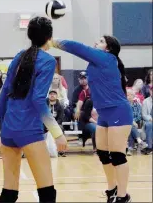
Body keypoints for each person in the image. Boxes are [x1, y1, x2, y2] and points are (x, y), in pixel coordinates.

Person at [50, 36, 133, 203]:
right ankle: (112, 190)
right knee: (103, 154)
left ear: (108, 48)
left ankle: (124, 197)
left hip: (118, 112)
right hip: (104, 114)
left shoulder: (107, 58)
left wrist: (52, 41)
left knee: (117, 155)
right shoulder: (97, 61)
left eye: (101, 41)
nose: (97, 42)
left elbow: (78, 47)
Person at [0, 17, 67, 203]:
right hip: (29, 129)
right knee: (47, 193)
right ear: (49, 37)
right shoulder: (48, 60)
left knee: (9, 193)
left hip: (9, 129)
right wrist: (57, 132)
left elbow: (3, 95)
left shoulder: (20, 55)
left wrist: (2, 129)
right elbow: (37, 99)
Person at [142, 86, 153, 155]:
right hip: (149, 120)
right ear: (150, 91)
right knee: (149, 124)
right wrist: (151, 119)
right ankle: (149, 147)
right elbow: (144, 114)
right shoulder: (145, 101)